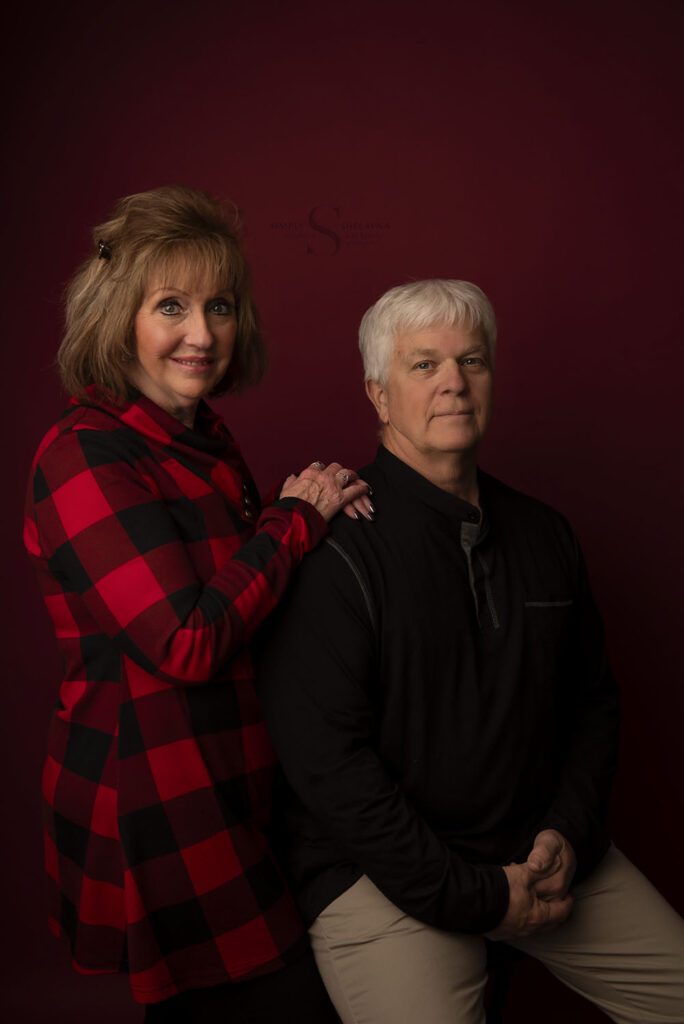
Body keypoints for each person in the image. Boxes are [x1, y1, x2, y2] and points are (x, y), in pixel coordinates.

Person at [255, 279, 684, 1023]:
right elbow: (330, 769)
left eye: (473, 361)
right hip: (385, 876)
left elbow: (592, 704)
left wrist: (568, 836)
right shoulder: (337, 552)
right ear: (379, 395)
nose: (454, 381)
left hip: (541, 854)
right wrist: (474, 896)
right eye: (424, 365)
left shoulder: (546, 534)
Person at [23, 184, 372, 1021]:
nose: (202, 333)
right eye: (171, 305)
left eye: (219, 305)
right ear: (120, 316)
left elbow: (248, 606)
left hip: (234, 778)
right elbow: (185, 641)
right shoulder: (83, 456)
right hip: (154, 791)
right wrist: (294, 520)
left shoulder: (201, 438)